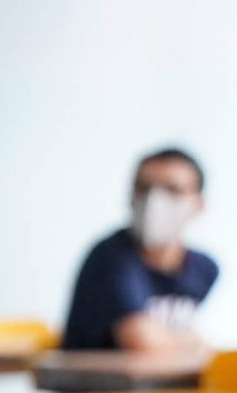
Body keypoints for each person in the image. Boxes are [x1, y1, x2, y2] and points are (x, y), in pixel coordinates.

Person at [61, 149, 217, 352]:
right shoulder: (110, 258)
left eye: (172, 190)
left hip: (158, 381)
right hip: (97, 383)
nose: (154, 200)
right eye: (143, 188)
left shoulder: (204, 269)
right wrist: (192, 341)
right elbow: (141, 342)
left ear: (199, 203)